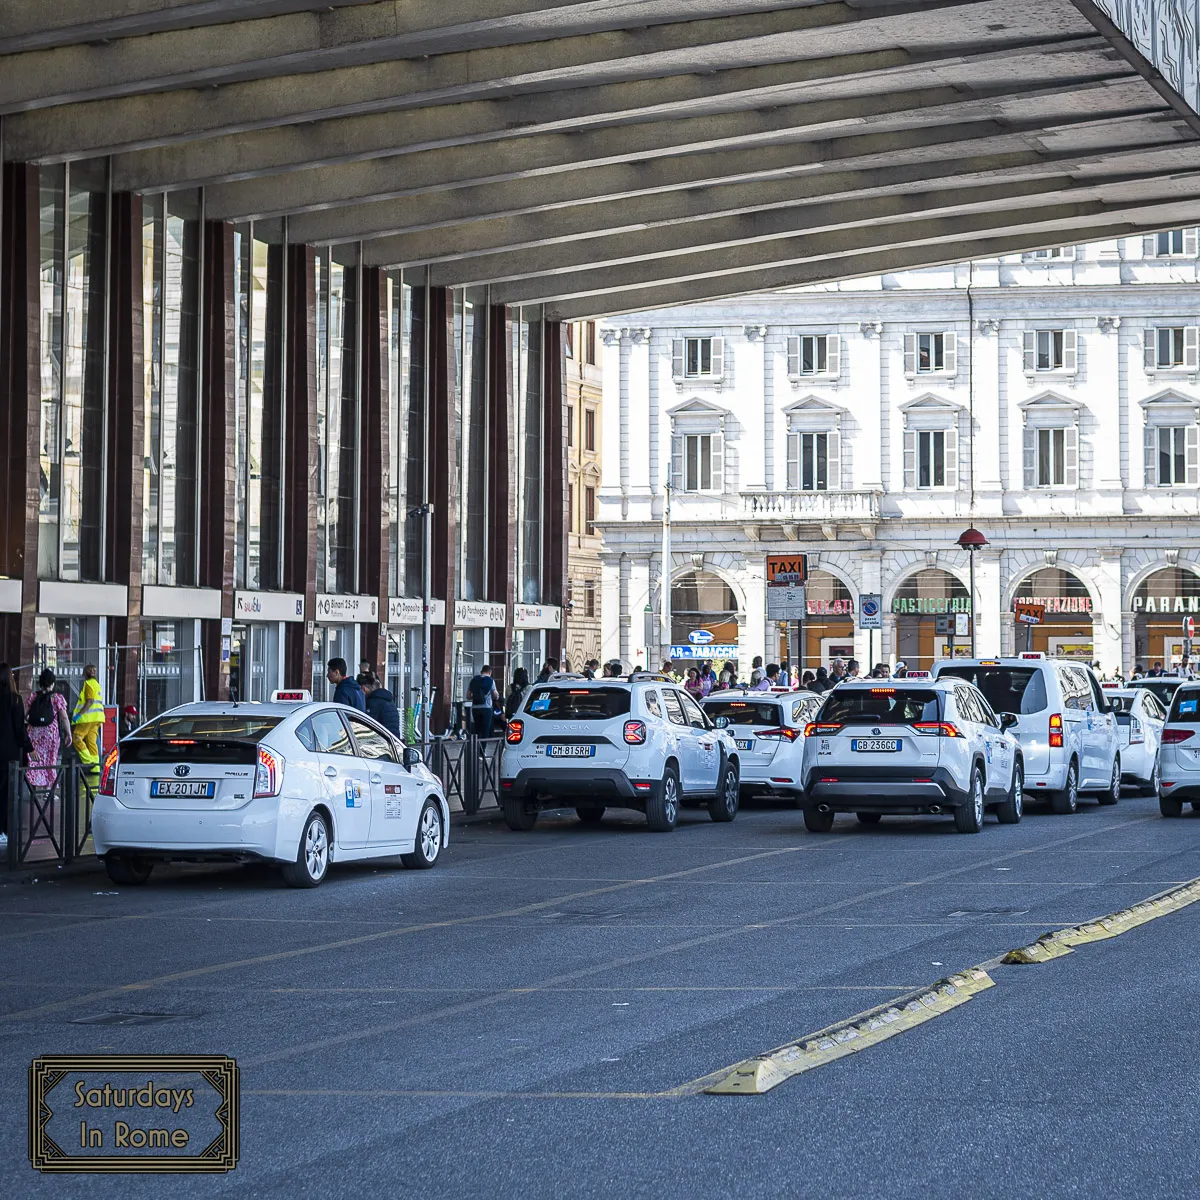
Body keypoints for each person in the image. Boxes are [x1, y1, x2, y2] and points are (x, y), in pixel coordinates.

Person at [0, 664, 32, 850]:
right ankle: (4, 830)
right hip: (10, 755)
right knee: (8, 795)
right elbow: (20, 729)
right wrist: (29, 748)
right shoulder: (15, 700)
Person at [26, 669, 71, 793]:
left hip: (34, 733)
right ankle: (48, 790)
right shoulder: (57, 698)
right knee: (50, 760)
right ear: (52, 683)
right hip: (50, 734)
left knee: (35, 760)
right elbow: (64, 717)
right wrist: (69, 733)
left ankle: (33, 788)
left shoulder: (33, 696)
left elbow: (26, 716)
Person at [71, 663, 105, 770]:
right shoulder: (96, 684)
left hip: (88, 718)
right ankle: (96, 768)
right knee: (92, 742)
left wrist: (78, 715)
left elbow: (89, 702)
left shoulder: (89, 684)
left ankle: (89, 761)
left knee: (77, 738)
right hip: (97, 719)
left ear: (86, 673)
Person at [467, 664, 498, 738]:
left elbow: (468, 696)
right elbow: (495, 695)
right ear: (490, 673)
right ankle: (482, 749)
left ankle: (476, 747)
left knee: (477, 730)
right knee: (485, 730)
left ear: (481, 672)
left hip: (475, 708)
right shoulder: (491, 681)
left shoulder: (473, 680)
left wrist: (476, 697)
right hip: (486, 708)